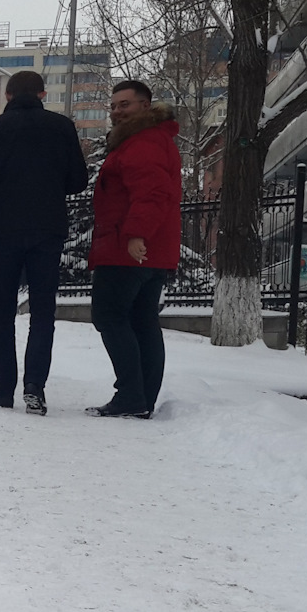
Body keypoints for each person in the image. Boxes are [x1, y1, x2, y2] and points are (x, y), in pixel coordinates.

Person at [0, 69, 90, 416]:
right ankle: (35, 387)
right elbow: (78, 180)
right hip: (49, 231)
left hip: (6, 232)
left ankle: (3, 390)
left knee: (1, 311)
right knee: (43, 311)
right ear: (43, 95)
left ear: (8, 96)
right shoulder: (61, 128)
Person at [86, 79, 181, 419]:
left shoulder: (143, 142)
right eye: (113, 106)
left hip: (128, 248)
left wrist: (136, 235)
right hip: (148, 249)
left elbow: (152, 193)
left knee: (110, 316)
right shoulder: (148, 140)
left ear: (145, 105)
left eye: (124, 105)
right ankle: (142, 398)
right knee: (142, 321)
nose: (116, 111)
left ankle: (131, 395)